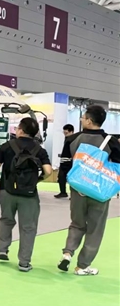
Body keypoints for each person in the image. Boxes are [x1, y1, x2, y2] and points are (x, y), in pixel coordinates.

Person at [57, 105, 120, 276]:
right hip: (100, 191)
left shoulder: (72, 139)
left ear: (89, 121)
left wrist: (67, 182)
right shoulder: (111, 141)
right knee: (95, 228)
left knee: (76, 223)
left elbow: (64, 165)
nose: (81, 119)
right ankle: (83, 265)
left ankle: (68, 253)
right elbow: (117, 168)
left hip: (78, 188)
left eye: (83, 117)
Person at [0, 117, 52, 272]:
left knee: (6, 220)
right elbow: (48, 171)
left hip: (7, 190)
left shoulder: (7, 146)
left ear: (21, 130)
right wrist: (37, 180)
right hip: (29, 195)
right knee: (28, 227)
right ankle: (24, 262)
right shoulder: (40, 150)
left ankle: (3, 249)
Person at [55, 124, 76, 199]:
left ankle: (73, 195)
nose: (65, 134)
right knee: (61, 177)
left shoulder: (73, 139)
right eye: (64, 132)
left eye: (66, 133)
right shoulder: (67, 139)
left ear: (71, 131)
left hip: (70, 162)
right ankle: (63, 192)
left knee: (71, 179)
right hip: (64, 161)